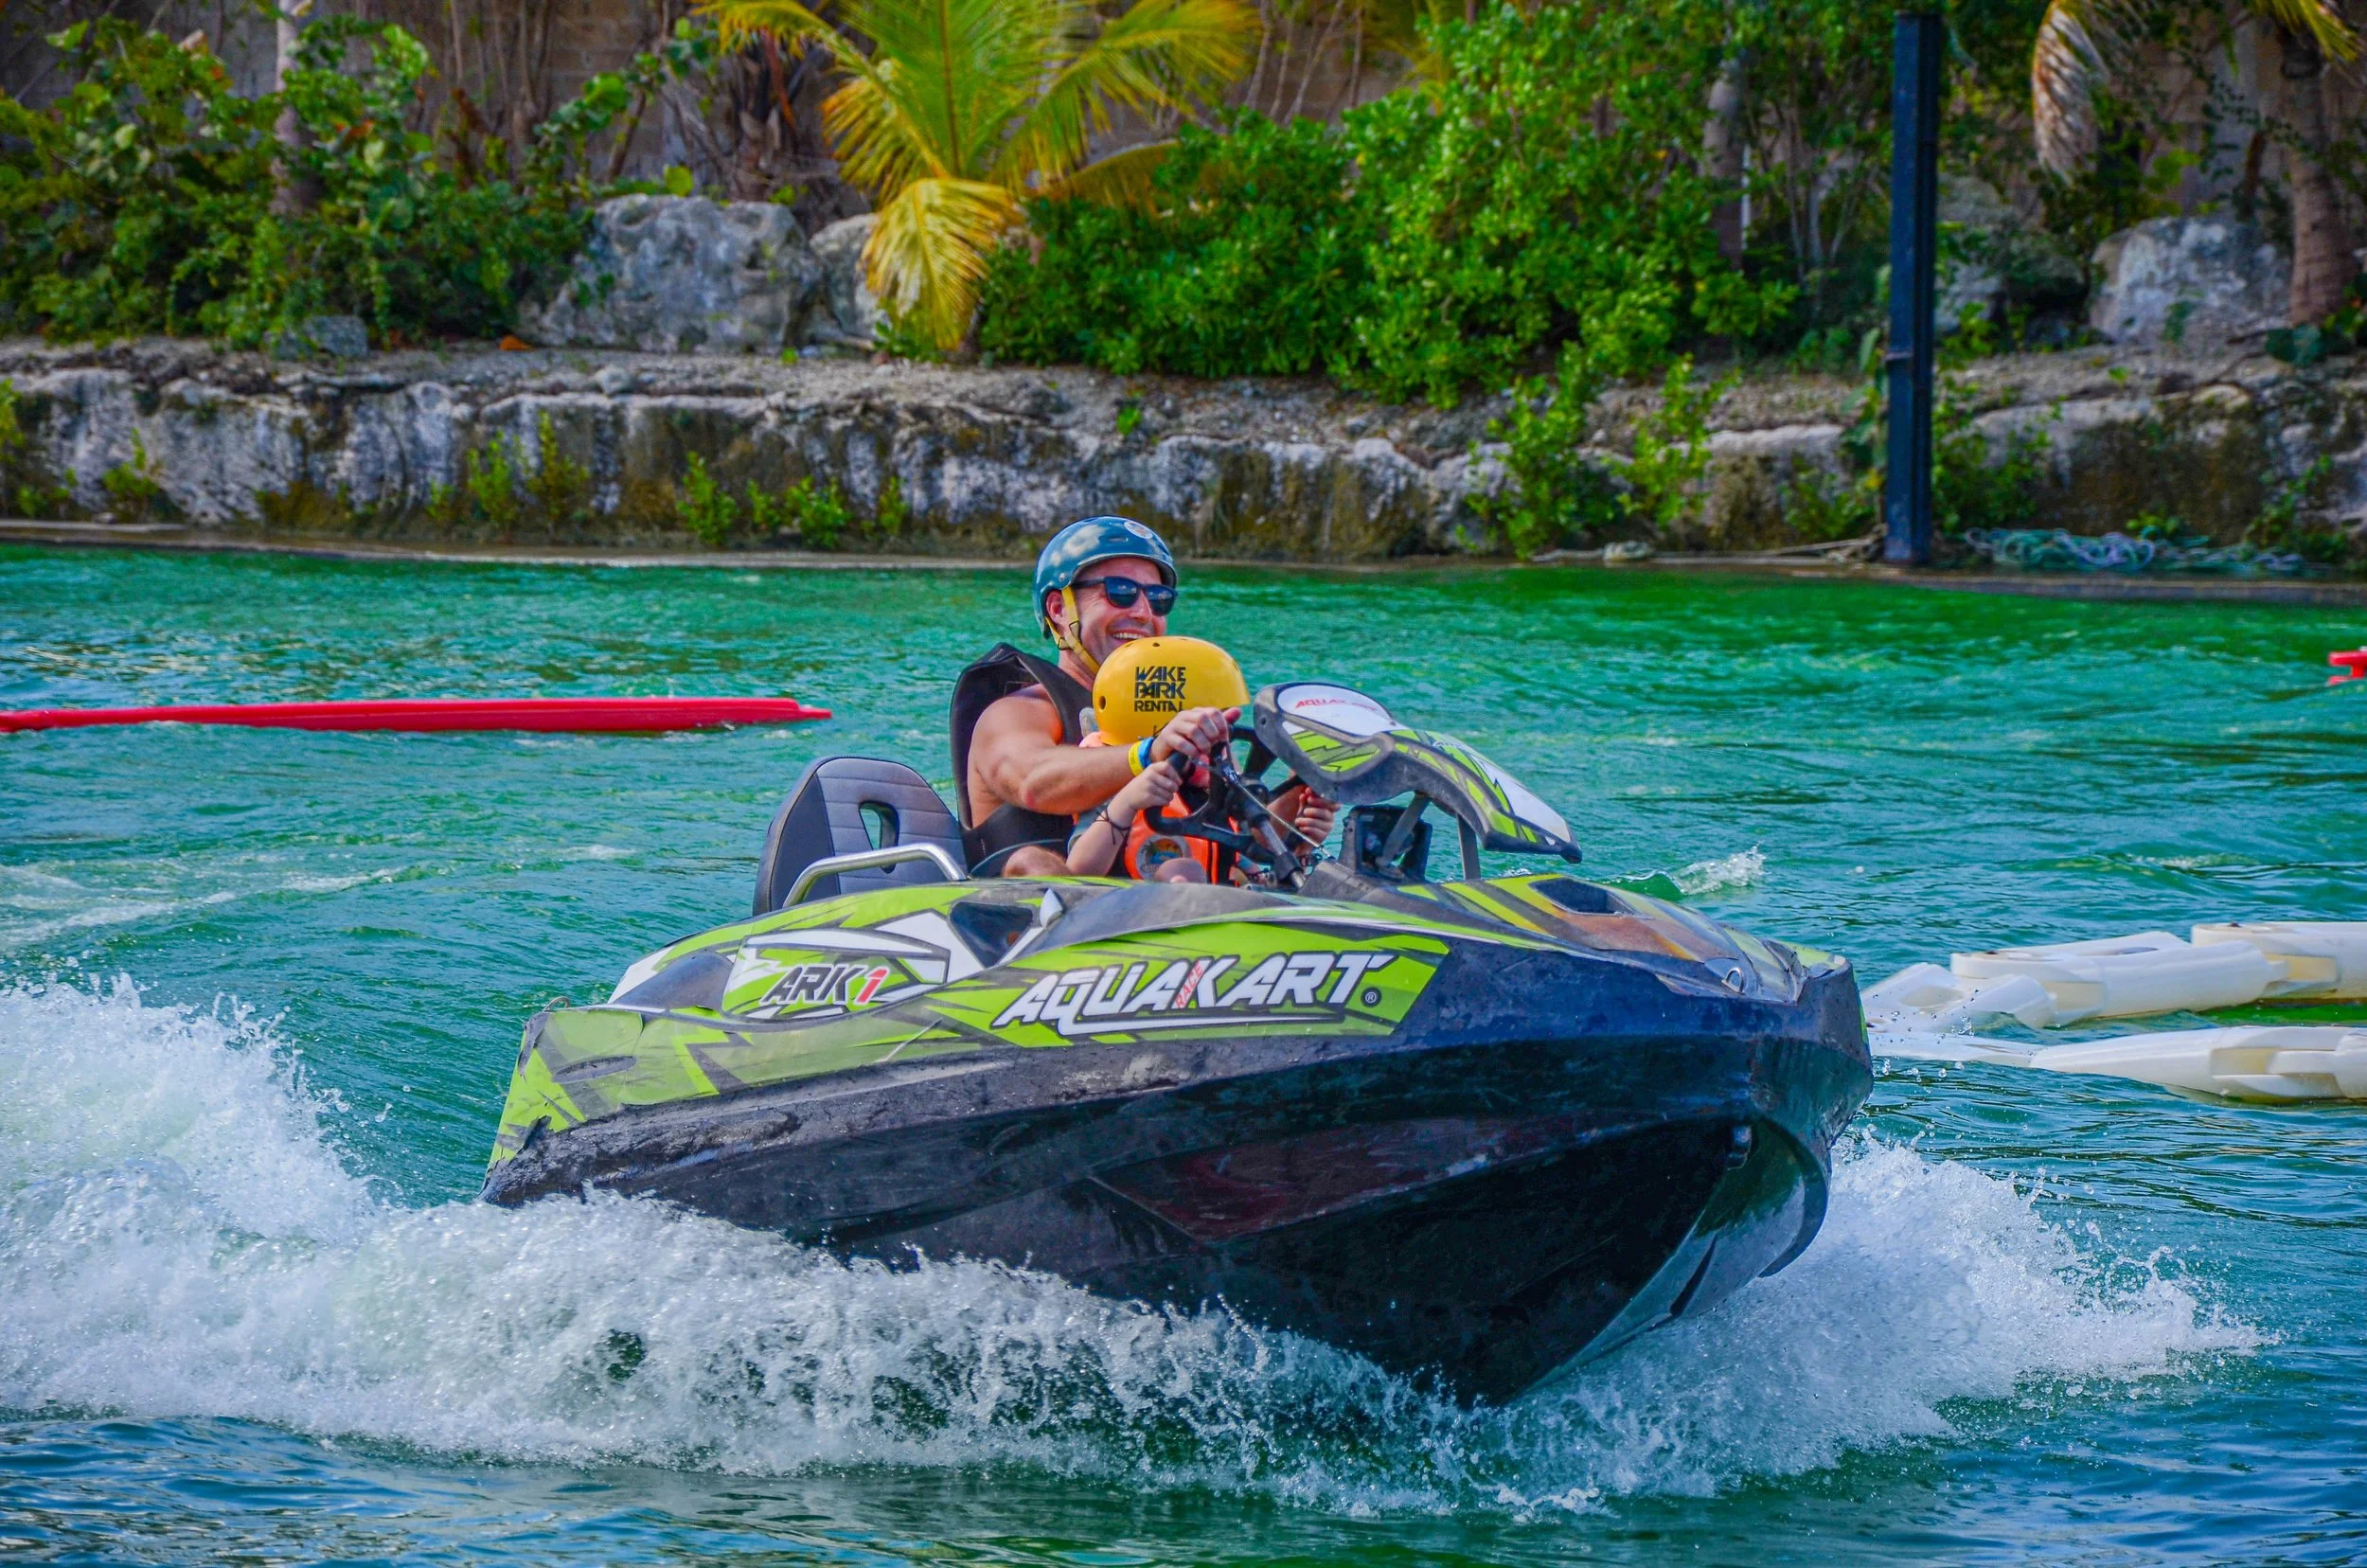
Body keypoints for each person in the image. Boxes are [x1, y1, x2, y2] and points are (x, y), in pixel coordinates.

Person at [950, 516, 1333, 877]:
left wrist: (1292, 817)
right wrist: (1150, 753)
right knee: (1033, 862)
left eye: (1158, 598)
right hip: (1036, 922)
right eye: (1120, 592)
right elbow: (1033, 782)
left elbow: (1230, 849)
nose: (1143, 612)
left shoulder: (1176, 718)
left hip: (1175, 908)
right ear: (1058, 610)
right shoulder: (1016, 712)